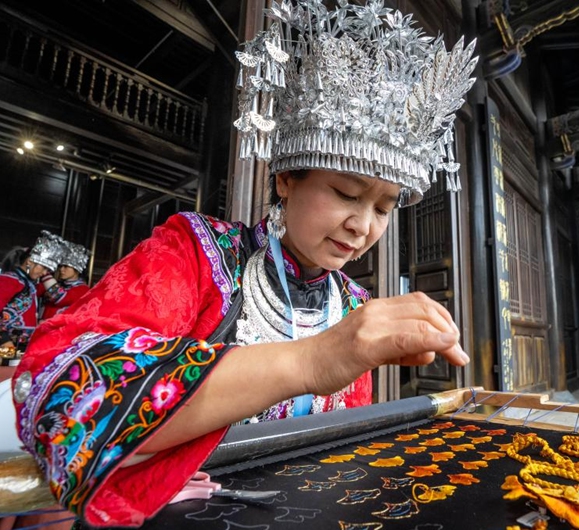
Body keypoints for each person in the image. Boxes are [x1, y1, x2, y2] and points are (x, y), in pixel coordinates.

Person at [12, 1, 477, 527]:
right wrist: (311, 361)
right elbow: (59, 384)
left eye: (384, 208)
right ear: (285, 180)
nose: (362, 225)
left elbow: (342, 445)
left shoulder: (352, 303)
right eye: (347, 193)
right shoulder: (194, 252)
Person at [1, 231, 65, 353]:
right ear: (30, 261)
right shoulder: (9, 280)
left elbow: (58, 295)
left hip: (20, 346)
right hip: (6, 344)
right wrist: (4, 341)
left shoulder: (31, 285)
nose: (45, 273)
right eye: (44, 267)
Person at [38, 241, 91, 320]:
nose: (61, 270)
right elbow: (35, 290)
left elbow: (60, 298)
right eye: (60, 266)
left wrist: (44, 271)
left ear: (77, 269)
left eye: (66, 267)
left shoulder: (83, 289)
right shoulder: (58, 284)